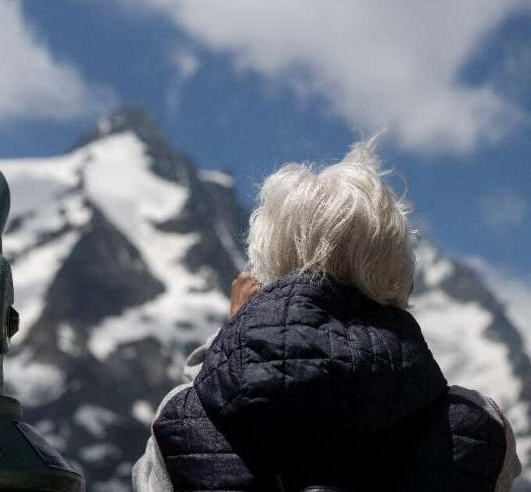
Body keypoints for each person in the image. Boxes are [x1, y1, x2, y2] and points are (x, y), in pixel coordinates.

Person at [132, 138, 521, 492]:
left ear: (265, 269)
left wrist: (227, 336)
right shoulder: (482, 429)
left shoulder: (177, 422)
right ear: (401, 277)